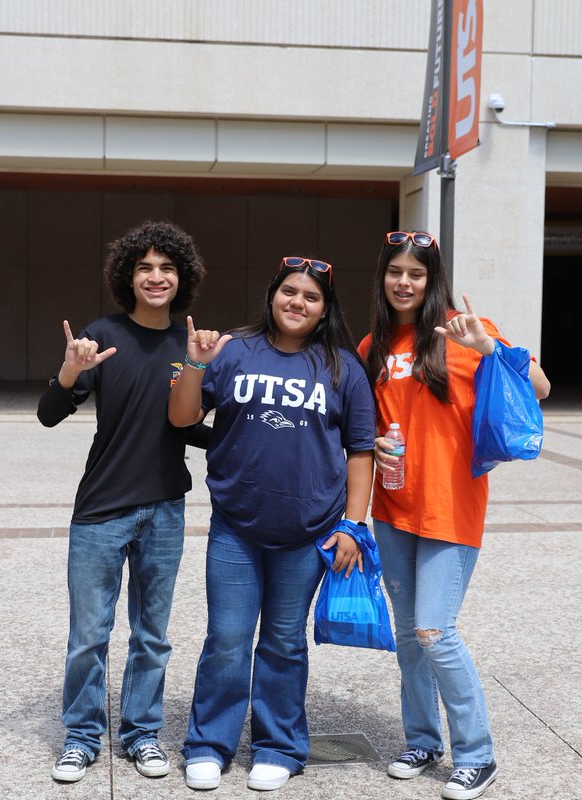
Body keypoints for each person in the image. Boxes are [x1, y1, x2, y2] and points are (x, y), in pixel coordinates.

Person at [168, 256, 376, 792]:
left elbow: (360, 451)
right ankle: (208, 744)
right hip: (236, 528)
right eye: (289, 291)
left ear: (325, 309)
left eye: (311, 297)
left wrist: (353, 525)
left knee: (284, 642)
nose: (297, 302)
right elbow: (182, 418)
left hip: (309, 533)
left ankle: (277, 746)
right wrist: (194, 364)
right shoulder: (234, 350)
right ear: (272, 295)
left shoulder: (343, 368)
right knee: (227, 639)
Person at [357, 230, 550, 800]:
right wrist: (373, 440)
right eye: (395, 271)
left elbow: (541, 387)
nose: (404, 282)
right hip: (393, 507)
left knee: (434, 631)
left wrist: (489, 349)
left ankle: (477, 754)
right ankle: (422, 740)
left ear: (432, 280)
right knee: (408, 637)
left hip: (450, 508)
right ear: (383, 277)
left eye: (416, 274)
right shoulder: (373, 346)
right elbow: (363, 424)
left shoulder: (468, 330)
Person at [37, 220, 209, 784]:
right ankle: (81, 737)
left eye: (167, 267)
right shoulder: (102, 335)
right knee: (89, 636)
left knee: (152, 635)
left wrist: (255, 435)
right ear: (127, 277)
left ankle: (141, 734)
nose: (156, 277)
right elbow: (49, 414)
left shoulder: (189, 344)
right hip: (102, 508)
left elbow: (190, 427)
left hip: (165, 507)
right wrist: (71, 370)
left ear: (182, 277)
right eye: (144, 268)